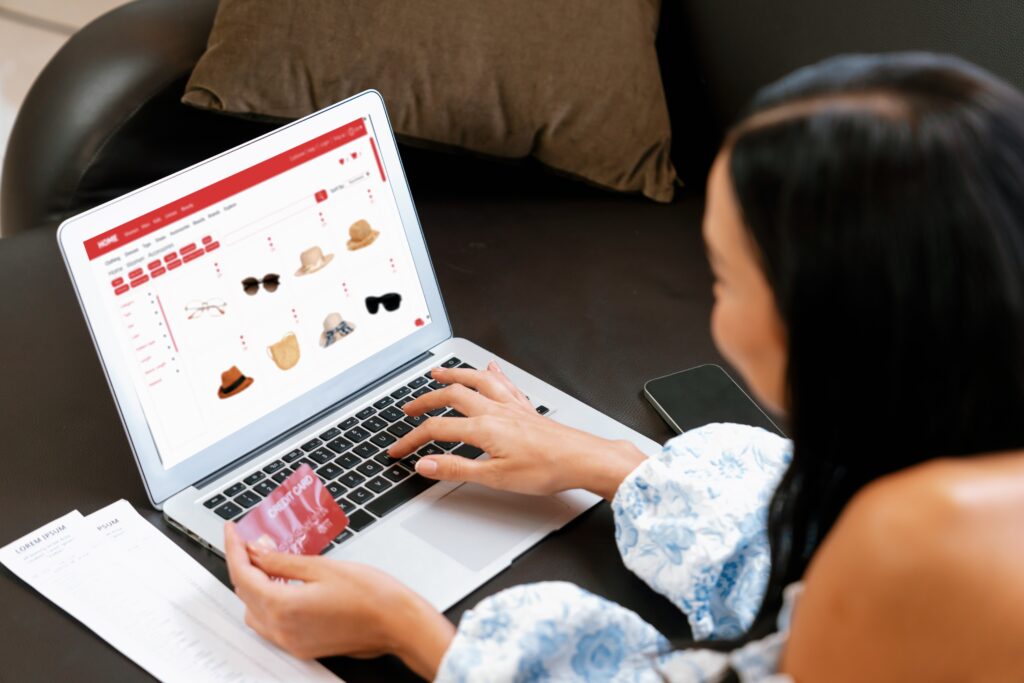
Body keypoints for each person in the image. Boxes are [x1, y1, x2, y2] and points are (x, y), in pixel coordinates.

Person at [224, 52, 1024, 681]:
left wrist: (409, 631)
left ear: (827, 327)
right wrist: (605, 461)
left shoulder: (913, 550)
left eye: (721, 274)